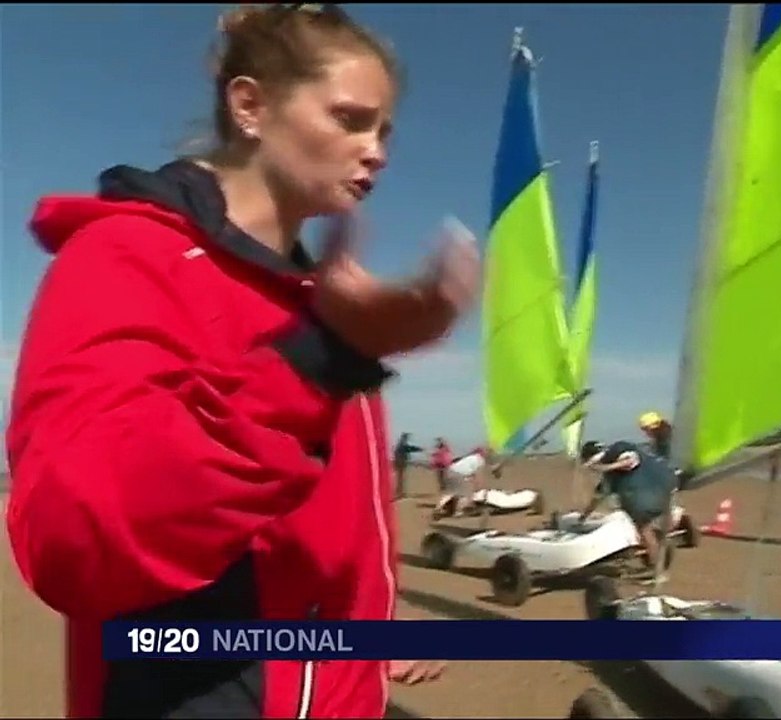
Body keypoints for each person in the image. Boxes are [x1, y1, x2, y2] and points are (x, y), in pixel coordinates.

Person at [3, 5, 479, 718]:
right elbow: (76, 539)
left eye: (384, 130)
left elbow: (320, 532)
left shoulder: (320, 296)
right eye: (351, 119)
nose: (377, 149)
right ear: (251, 105)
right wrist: (319, 364)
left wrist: (369, 629)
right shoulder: (130, 258)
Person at [578, 439, 678, 580]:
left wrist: (606, 467)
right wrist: (584, 516)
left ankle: (658, 571)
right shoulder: (609, 478)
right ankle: (658, 556)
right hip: (666, 484)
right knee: (650, 527)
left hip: (650, 492)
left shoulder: (617, 451)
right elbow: (597, 497)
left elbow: (631, 460)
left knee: (644, 529)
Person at [435, 446, 490, 517]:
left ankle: (438, 508)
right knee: (465, 494)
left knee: (450, 492)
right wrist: (478, 487)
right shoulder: (480, 460)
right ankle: (458, 512)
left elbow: (468, 472)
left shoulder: (469, 458)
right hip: (459, 474)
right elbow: (476, 475)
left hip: (450, 471)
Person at [392, 432, 423, 499]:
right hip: (401, 464)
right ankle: (399, 494)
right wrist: (420, 449)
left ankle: (399, 493)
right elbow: (410, 448)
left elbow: (409, 448)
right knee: (400, 480)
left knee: (400, 479)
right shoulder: (402, 445)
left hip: (400, 464)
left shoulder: (400, 445)